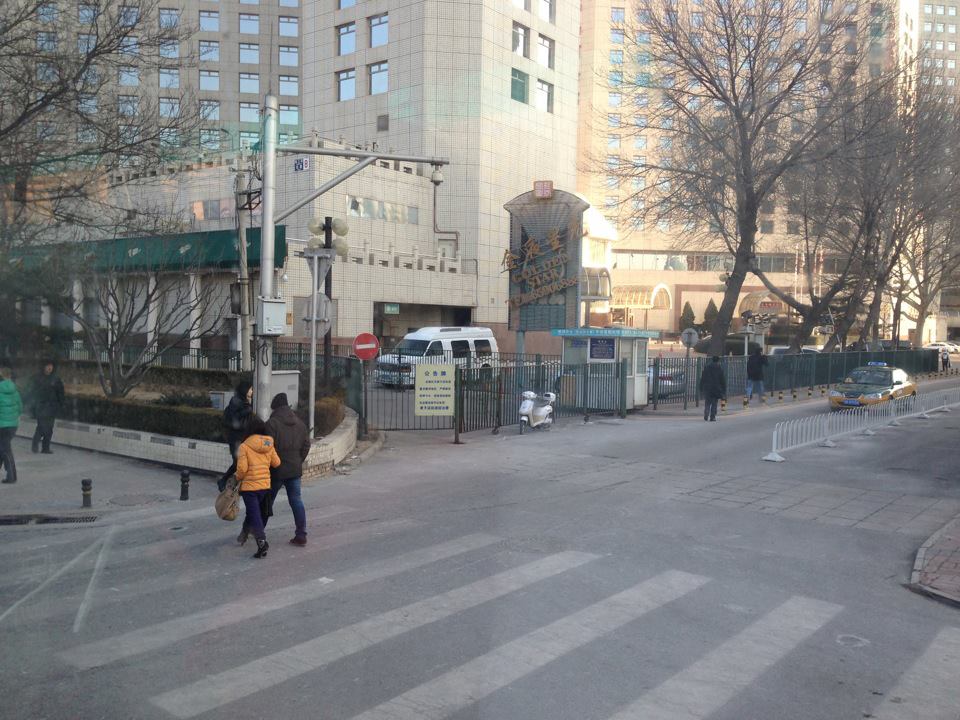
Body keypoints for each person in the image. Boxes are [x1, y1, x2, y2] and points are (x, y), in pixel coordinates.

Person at [264, 393, 311, 546]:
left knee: (267, 501)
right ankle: (301, 534)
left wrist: (272, 464)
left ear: (275, 407)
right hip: (294, 470)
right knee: (296, 500)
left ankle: (258, 531)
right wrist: (298, 460)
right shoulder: (300, 423)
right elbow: (307, 445)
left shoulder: (271, 424)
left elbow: (267, 448)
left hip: (276, 470)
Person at [235, 416, 280, 559]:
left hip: (250, 488)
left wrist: (236, 478)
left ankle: (262, 542)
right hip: (264, 486)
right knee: (253, 512)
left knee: (254, 514)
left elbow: (242, 469)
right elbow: (277, 463)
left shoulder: (244, 446)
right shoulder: (269, 443)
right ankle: (244, 533)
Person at [219, 381, 253, 492]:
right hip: (235, 438)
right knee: (237, 463)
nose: (252, 391)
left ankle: (234, 483)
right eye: (250, 389)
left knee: (241, 463)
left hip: (243, 438)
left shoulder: (245, 402)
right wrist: (247, 410)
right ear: (245, 390)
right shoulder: (236, 402)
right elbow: (234, 419)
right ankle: (223, 480)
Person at [30, 360, 64, 454]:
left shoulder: (56, 379)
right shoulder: (37, 378)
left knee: (49, 428)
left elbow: (60, 393)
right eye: (47, 366)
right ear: (43, 367)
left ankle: (45, 448)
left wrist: (60, 404)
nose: (49, 368)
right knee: (41, 427)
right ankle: (35, 443)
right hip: (41, 406)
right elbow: (33, 392)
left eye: (51, 366)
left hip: (52, 407)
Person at [0, 364, 23, 484]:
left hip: (1, 425)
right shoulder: (15, 391)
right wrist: (12, 417)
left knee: (5, 450)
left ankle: (12, 476)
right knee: (3, 447)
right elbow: (20, 408)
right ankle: (11, 475)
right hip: (13, 425)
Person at [700, 355, 727, 422]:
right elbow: (722, 380)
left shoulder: (707, 367)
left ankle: (706, 413)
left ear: (712, 360)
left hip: (708, 387)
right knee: (714, 403)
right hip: (716, 388)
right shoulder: (719, 368)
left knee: (707, 402)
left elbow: (703, 377)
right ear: (718, 361)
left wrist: (701, 386)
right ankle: (712, 417)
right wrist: (724, 389)